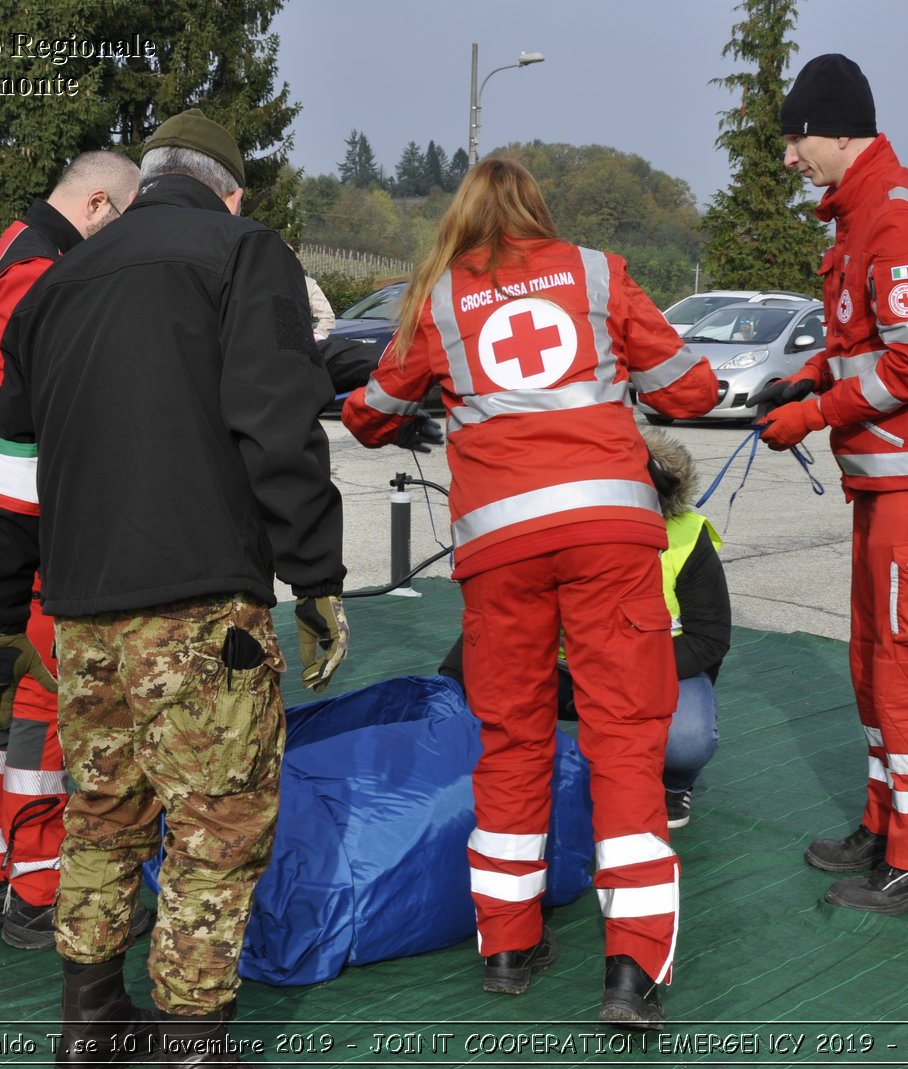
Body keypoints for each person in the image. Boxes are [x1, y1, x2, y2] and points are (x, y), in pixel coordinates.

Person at [0, 109, 348, 1062]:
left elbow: (10, 471)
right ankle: (190, 1041)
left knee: (102, 816)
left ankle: (89, 1025)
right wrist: (317, 577)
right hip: (203, 606)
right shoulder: (244, 252)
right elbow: (278, 423)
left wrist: (2, 619)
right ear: (231, 192)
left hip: (83, 612)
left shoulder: (56, 286)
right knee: (215, 831)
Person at [342, 157, 718, 1029]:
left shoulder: (438, 299)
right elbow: (691, 390)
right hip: (610, 534)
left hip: (500, 552)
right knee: (626, 741)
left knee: (511, 736)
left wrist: (418, 406)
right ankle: (631, 970)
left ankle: (508, 945)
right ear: (539, 212)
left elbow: (369, 413)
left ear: (463, 219)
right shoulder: (596, 272)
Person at [753, 54, 908, 914]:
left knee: (907, 666)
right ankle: (887, 822)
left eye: (795, 140)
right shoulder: (861, 217)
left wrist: (815, 413)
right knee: (871, 659)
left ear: (835, 130)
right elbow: (868, 339)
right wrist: (808, 377)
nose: (788, 158)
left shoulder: (895, 220)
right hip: (890, 479)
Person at [0, 151, 141, 951]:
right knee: (41, 709)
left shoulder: (12, 248)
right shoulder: (38, 274)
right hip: (10, 522)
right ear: (97, 205)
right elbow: (28, 413)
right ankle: (37, 890)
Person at [438, 429, 731, 829]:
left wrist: (621, 669)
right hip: (559, 666)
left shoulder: (686, 536)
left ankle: (674, 784)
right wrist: (456, 680)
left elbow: (709, 639)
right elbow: (504, 611)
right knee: (472, 704)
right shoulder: (556, 529)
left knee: (687, 740)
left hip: (655, 667)